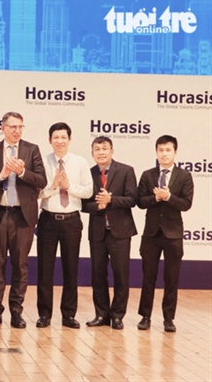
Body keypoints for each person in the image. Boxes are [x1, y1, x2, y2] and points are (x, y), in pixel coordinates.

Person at [0, 112, 46, 329]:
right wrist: (1, 175)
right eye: (12, 127)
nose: (17, 131)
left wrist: (22, 171)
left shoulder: (31, 149)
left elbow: (41, 180)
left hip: (22, 215)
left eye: (20, 126)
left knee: (20, 265)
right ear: (3, 128)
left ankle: (16, 312)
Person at [36, 122, 92, 329]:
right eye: (56, 137)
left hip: (71, 220)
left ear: (70, 139)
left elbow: (88, 191)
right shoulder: (41, 162)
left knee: (71, 268)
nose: (60, 141)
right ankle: (44, 314)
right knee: (44, 269)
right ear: (50, 140)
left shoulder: (80, 162)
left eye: (63, 137)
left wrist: (69, 187)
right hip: (48, 219)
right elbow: (36, 192)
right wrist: (53, 187)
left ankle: (68, 315)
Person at [136, 135, 193, 333]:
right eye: (161, 150)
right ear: (156, 152)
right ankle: (145, 316)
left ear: (175, 152)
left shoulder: (184, 176)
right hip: (151, 234)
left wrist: (168, 197)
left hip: (173, 234)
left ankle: (169, 318)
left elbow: (186, 204)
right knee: (148, 277)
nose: (164, 153)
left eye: (168, 150)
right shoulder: (148, 174)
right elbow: (140, 201)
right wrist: (155, 198)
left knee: (171, 278)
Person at [81, 136, 137, 330]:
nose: (101, 152)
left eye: (105, 149)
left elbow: (132, 199)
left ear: (112, 151)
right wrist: (99, 205)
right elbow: (84, 205)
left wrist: (111, 200)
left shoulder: (126, 171)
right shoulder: (88, 174)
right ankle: (101, 314)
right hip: (97, 232)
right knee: (98, 275)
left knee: (121, 275)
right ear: (92, 153)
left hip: (120, 231)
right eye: (97, 149)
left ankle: (117, 315)